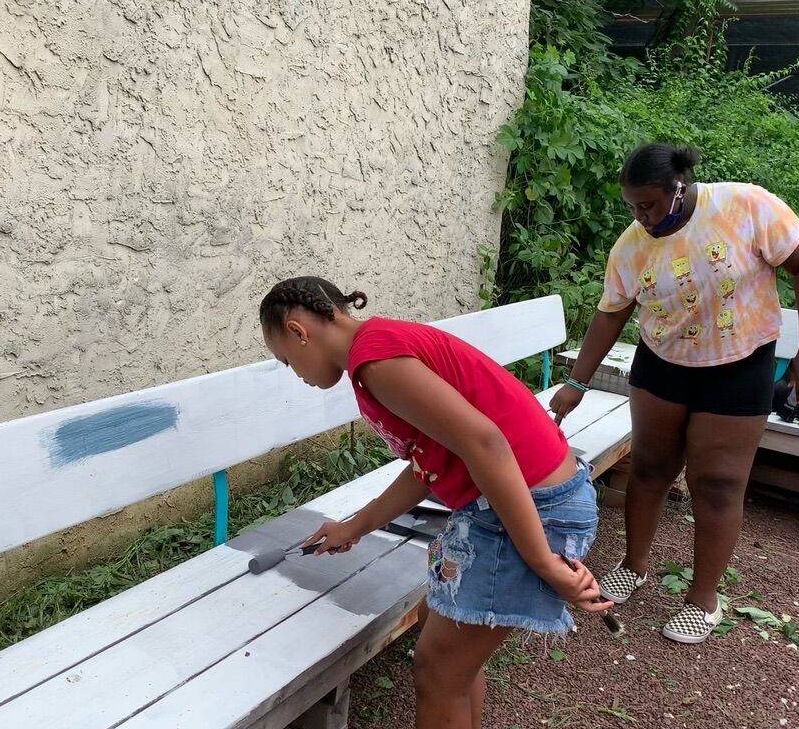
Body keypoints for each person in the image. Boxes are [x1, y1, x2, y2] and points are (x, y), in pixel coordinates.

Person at [259, 276, 612, 729]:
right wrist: (354, 527)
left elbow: (486, 443)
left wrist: (542, 561)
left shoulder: (376, 362)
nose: (297, 375)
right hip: (518, 499)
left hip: (531, 505)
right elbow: (428, 465)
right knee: (448, 651)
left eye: (287, 361)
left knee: (439, 670)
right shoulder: (378, 346)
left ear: (298, 331)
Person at [550, 142, 799, 644]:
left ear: (678, 187)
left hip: (740, 364)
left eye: (649, 205)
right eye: (632, 206)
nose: (640, 216)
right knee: (650, 468)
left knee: (718, 482)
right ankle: (633, 565)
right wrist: (577, 382)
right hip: (663, 365)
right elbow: (611, 313)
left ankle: (703, 600)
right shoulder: (632, 246)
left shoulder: (745, 206)